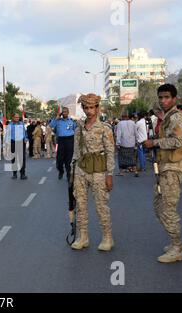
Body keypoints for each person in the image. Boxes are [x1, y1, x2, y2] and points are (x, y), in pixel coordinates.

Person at [143, 84, 182, 263]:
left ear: (174, 99)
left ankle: (177, 247)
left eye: (166, 97)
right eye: (161, 97)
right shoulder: (168, 116)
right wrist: (162, 114)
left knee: (167, 209)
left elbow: (179, 141)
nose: (163, 101)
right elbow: (157, 109)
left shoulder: (177, 117)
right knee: (159, 207)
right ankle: (175, 243)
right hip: (164, 168)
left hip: (173, 168)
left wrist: (155, 143)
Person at [71, 94, 115, 252]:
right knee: (81, 205)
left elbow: (110, 152)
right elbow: (76, 152)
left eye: (92, 107)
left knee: (101, 206)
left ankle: (107, 237)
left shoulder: (104, 128)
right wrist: (73, 172)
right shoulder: (79, 128)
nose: (89, 111)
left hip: (99, 171)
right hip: (81, 169)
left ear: (97, 108)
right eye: (86, 108)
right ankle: (82, 237)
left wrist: (109, 174)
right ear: (83, 108)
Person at [50, 107, 76, 180]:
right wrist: (57, 117)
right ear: (61, 113)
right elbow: (51, 126)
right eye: (63, 112)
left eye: (66, 112)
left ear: (68, 112)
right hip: (61, 141)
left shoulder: (71, 121)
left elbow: (75, 130)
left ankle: (68, 174)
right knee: (59, 159)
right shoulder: (58, 121)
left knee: (69, 159)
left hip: (70, 140)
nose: (64, 113)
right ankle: (61, 171)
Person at [5, 113, 28, 180]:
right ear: (13, 118)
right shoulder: (10, 125)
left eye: (18, 117)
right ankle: (14, 174)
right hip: (13, 142)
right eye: (16, 117)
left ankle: (22, 174)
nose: (17, 118)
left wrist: (26, 138)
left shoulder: (21, 124)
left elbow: (24, 132)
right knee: (14, 159)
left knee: (22, 159)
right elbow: (7, 135)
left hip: (21, 142)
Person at [135, 111, 148, 176]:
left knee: (141, 154)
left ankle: (142, 167)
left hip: (140, 140)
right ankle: (144, 166)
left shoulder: (138, 122)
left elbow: (135, 131)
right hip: (146, 139)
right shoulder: (146, 122)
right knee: (144, 154)